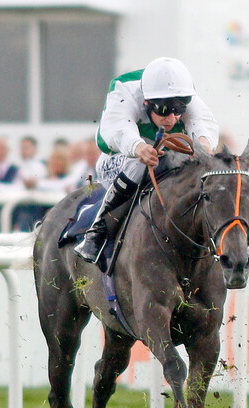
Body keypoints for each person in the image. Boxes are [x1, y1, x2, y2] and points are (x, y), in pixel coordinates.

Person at [74, 57, 219, 263]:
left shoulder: (184, 93)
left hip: (163, 154)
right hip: (119, 156)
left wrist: (203, 146)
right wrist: (139, 147)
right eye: (163, 110)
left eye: (179, 110)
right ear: (146, 102)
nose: (172, 118)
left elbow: (203, 123)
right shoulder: (124, 90)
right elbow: (118, 128)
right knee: (140, 163)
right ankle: (98, 231)